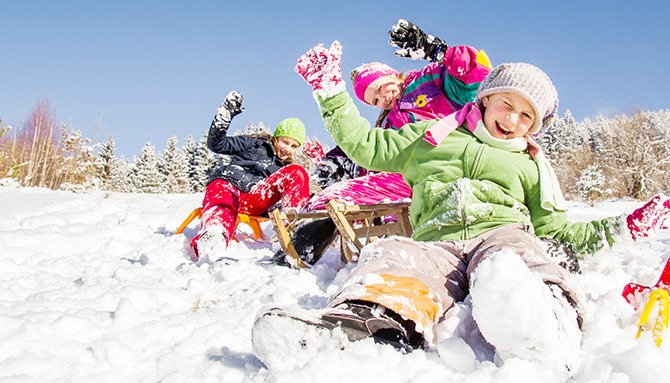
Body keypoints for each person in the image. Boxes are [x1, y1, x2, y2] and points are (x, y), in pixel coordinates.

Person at [252, 42, 670, 374]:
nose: (514, 120)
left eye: (528, 115)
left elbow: (557, 230)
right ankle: (356, 325)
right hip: (439, 238)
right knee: (395, 254)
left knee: (514, 260)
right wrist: (330, 92)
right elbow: (366, 145)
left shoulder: (530, 162)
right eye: (507, 104)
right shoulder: (432, 136)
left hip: (503, 232)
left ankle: (544, 322)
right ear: (486, 100)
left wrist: (626, 226)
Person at [271, 20, 493, 267]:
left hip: (445, 170)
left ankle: (296, 253)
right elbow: (375, 152)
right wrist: (336, 161)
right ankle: (293, 251)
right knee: (339, 196)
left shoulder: (430, 81)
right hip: (406, 179)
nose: (382, 98)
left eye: (380, 88)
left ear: (390, 74)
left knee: (344, 195)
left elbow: (478, 76)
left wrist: (437, 51)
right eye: (374, 100)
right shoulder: (386, 123)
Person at [191, 90, 310, 263]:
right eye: (285, 142)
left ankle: (288, 235)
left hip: (255, 197)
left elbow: (285, 198)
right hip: (229, 184)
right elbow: (217, 144)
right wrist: (225, 116)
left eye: (293, 146)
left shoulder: (285, 169)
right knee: (223, 201)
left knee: (298, 171)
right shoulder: (254, 143)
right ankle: (214, 235)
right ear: (275, 138)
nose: (288, 149)